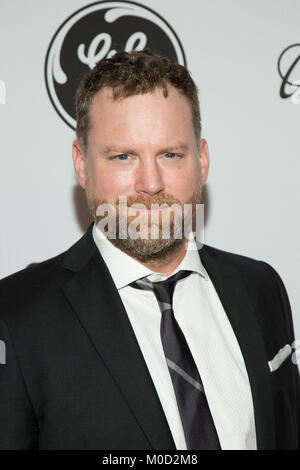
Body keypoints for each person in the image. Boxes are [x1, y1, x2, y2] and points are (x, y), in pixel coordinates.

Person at [0, 50, 299, 450]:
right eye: (123, 156)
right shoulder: (16, 315)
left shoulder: (261, 286)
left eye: (170, 155)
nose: (151, 183)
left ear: (202, 160)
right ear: (82, 164)